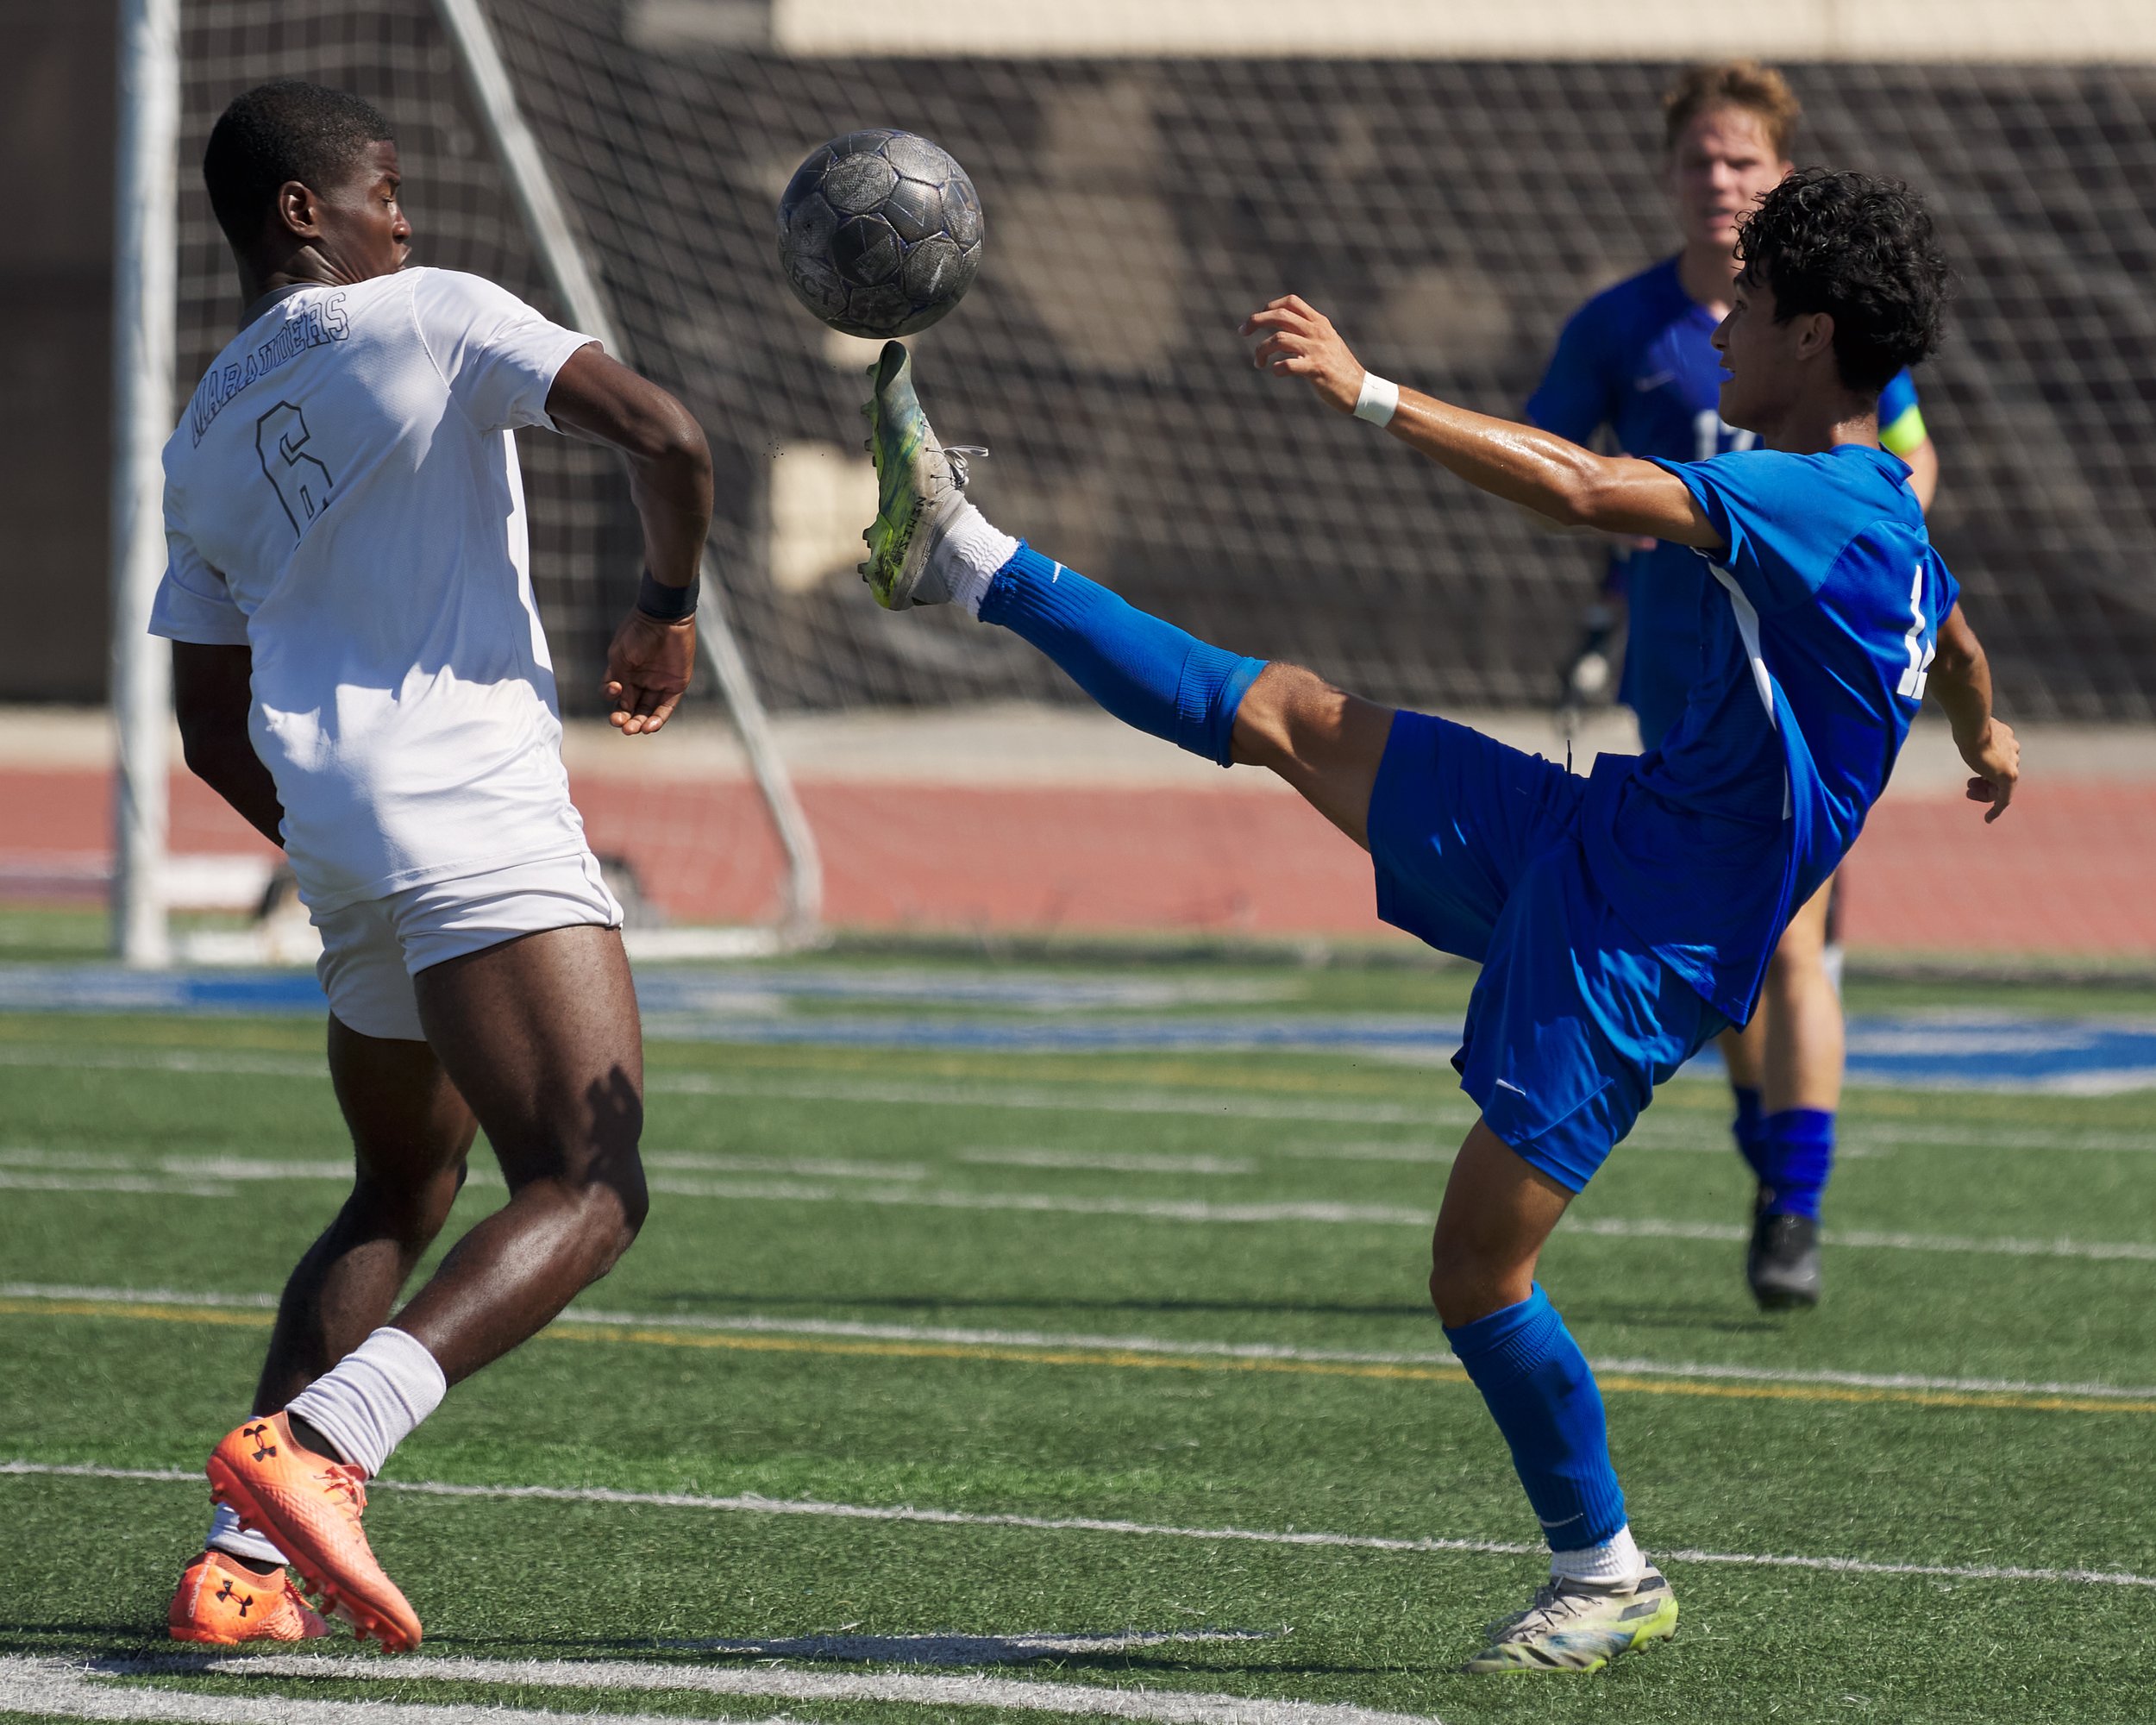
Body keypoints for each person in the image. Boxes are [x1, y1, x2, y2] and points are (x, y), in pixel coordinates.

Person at [847, 168, 2015, 1671]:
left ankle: (1606, 1575)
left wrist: (1367, 391)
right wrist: (1985, 737)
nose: (1722, 311)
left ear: (1817, 334)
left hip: (1641, 949)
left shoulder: (1816, 499)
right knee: (1282, 710)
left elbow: (1591, 492)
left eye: (1754, 296)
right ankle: (965, 555)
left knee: (1476, 1273)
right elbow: (1964, 639)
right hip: (1601, 833)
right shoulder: (1887, 521)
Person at [156, 80, 711, 1651]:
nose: (408, 215)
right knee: (592, 1188)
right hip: (472, 808)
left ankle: (235, 1572)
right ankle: (319, 1446)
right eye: (385, 187)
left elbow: (207, 728)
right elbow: (671, 435)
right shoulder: (435, 312)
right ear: (302, 215)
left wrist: (340, 841)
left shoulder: (201, 434)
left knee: (397, 1186)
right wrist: (666, 604)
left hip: (339, 842)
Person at [1528, 61, 1940, 1308]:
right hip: (1680, 683)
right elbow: (1557, 463)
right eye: (1701, 161)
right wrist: (1629, 548)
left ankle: (1793, 1209)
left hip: (1801, 687)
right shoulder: (1623, 327)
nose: (1722, 180)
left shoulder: (1823, 318)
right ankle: (1774, 1174)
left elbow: (1910, 468)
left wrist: (1840, 554)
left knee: (1794, 937)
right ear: (1669, 179)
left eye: (1744, 162)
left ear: (1779, 176)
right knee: (1737, 954)